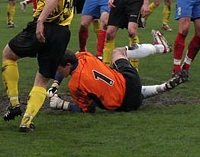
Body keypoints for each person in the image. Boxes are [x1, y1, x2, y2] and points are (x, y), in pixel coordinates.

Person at [0, 0, 73, 132]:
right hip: (62, 31)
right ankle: (26, 121)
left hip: (45, 26)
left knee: (8, 54)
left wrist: (40, 21)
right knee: (42, 78)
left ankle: (15, 103)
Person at [47, 33, 187, 114]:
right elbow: (67, 62)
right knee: (118, 52)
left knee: (109, 95)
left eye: (59, 70)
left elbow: (88, 109)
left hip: (126, 105)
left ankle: (162, 85)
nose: (57, 72)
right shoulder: (85, 56)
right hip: (131, 81)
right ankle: (159, 48)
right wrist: (55, 83)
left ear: (68, 65)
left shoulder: (74, 85)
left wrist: (62, 104)